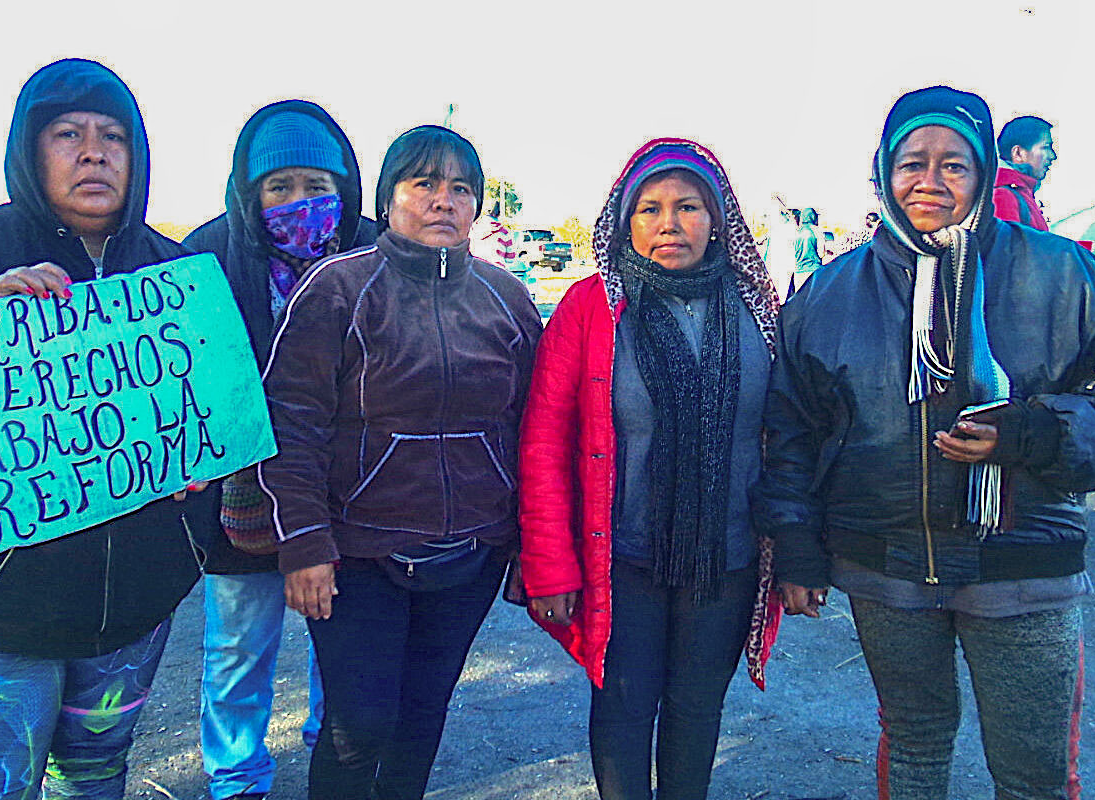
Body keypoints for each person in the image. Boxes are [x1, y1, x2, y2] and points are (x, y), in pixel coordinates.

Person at [755, 86, 1095, 799]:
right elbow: (790, 433)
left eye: (953, 164)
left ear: (985, 171)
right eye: (910, 163)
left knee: (1032, 774)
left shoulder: (1069, 278)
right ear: (883, 173)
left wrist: (1038, 432)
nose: (929, 181)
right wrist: (798, 547)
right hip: (884, 567)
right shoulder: (827, 295)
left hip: (1024, 567)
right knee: (915, 742)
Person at [0, 58, 215, 799]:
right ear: (29, 148)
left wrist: (203, 466)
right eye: (67, 134)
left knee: (92, 780)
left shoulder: (178, 278)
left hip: (131, 617)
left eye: (114, 135)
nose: (94, 152)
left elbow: (215, 423)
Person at [257, 125, 542, 800]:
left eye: (461, 188)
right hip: (359, 554)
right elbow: (292, 422)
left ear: (476, 207)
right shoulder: (338, 289)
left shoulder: (508, 299)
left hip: (473, 551)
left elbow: (535, 428)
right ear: (389, 201)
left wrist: (532, 545)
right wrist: (303, 543)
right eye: (424, 183)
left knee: (422, 715)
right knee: (360, 723)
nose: (443, 200)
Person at [518, 138, 782, 800]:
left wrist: (800, 556)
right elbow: (545, 442)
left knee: (697, 715)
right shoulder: (591, 308)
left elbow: (789, 439)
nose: (669, 223)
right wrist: (549, 566)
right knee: (625, 712)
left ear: (718, 218)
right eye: (650, 208)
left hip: (727, 562)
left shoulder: (758, 309)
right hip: (625, 561)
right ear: (624, 221)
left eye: (688, 206)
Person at [184, 100, 378, 800]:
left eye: (318, 187)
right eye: (280, 187)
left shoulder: (378, 252)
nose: (301, 203)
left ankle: (339, 746)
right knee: (239, 645)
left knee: (345, 642)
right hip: (245, 499)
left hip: (354, 495)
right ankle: (235, 776)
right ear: (250, 194)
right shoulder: (205, 259)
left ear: (345, 189)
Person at [992, 116, 1056, 231]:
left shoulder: (1020, 193)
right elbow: (1004, 248)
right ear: (1018, 153)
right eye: (1045, 147)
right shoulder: (1004, 197)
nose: (1052, 156)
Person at [469, 200, 517, 268]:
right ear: (499, 213)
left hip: (476, 270)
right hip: (497, 271)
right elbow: (510, 259)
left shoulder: (472, 229)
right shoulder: (505, 232)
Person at [789, 206, 823, 295]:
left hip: (798, 273)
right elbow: (821, 253)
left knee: (801, 302)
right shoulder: (816, 231)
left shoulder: (796, 233)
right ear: (813, 217)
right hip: (814, 271)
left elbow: (792, 254)